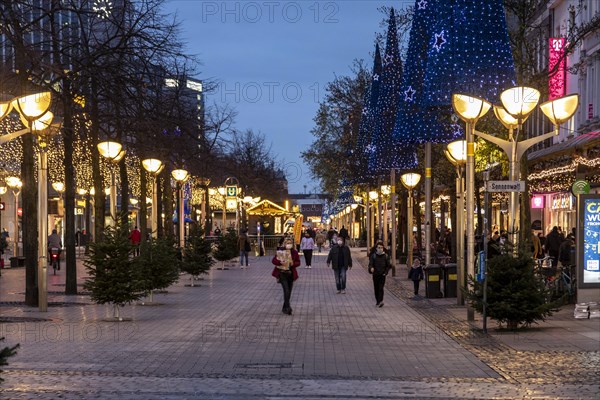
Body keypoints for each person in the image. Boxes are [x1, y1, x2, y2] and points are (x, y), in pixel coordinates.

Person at [271, 238, 300, 315]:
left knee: (289, 292)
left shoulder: (294, 252)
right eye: (287, 243)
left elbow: (298, 262)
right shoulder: (280, 251)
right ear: (284, 243)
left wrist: (293, 263)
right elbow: (273, 260)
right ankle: (288, 307)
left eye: (290, 243)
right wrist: (280, 262)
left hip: (290, 274)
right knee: (286, 290)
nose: (289, 244)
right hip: (282, 273)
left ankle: (284, 307)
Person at [368, 240, 392, 307]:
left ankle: (381, 300)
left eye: (381, 247)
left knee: (381, 288)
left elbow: (388, 265)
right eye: (378, 247)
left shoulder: (385, 256)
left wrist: (385, 272)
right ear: (376, 248)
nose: (380, 249)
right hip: (375, 274)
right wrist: (371, 268)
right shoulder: (373, 256)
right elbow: (370, 264)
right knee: (376, 288)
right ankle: (377, 301)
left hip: (382, 274)